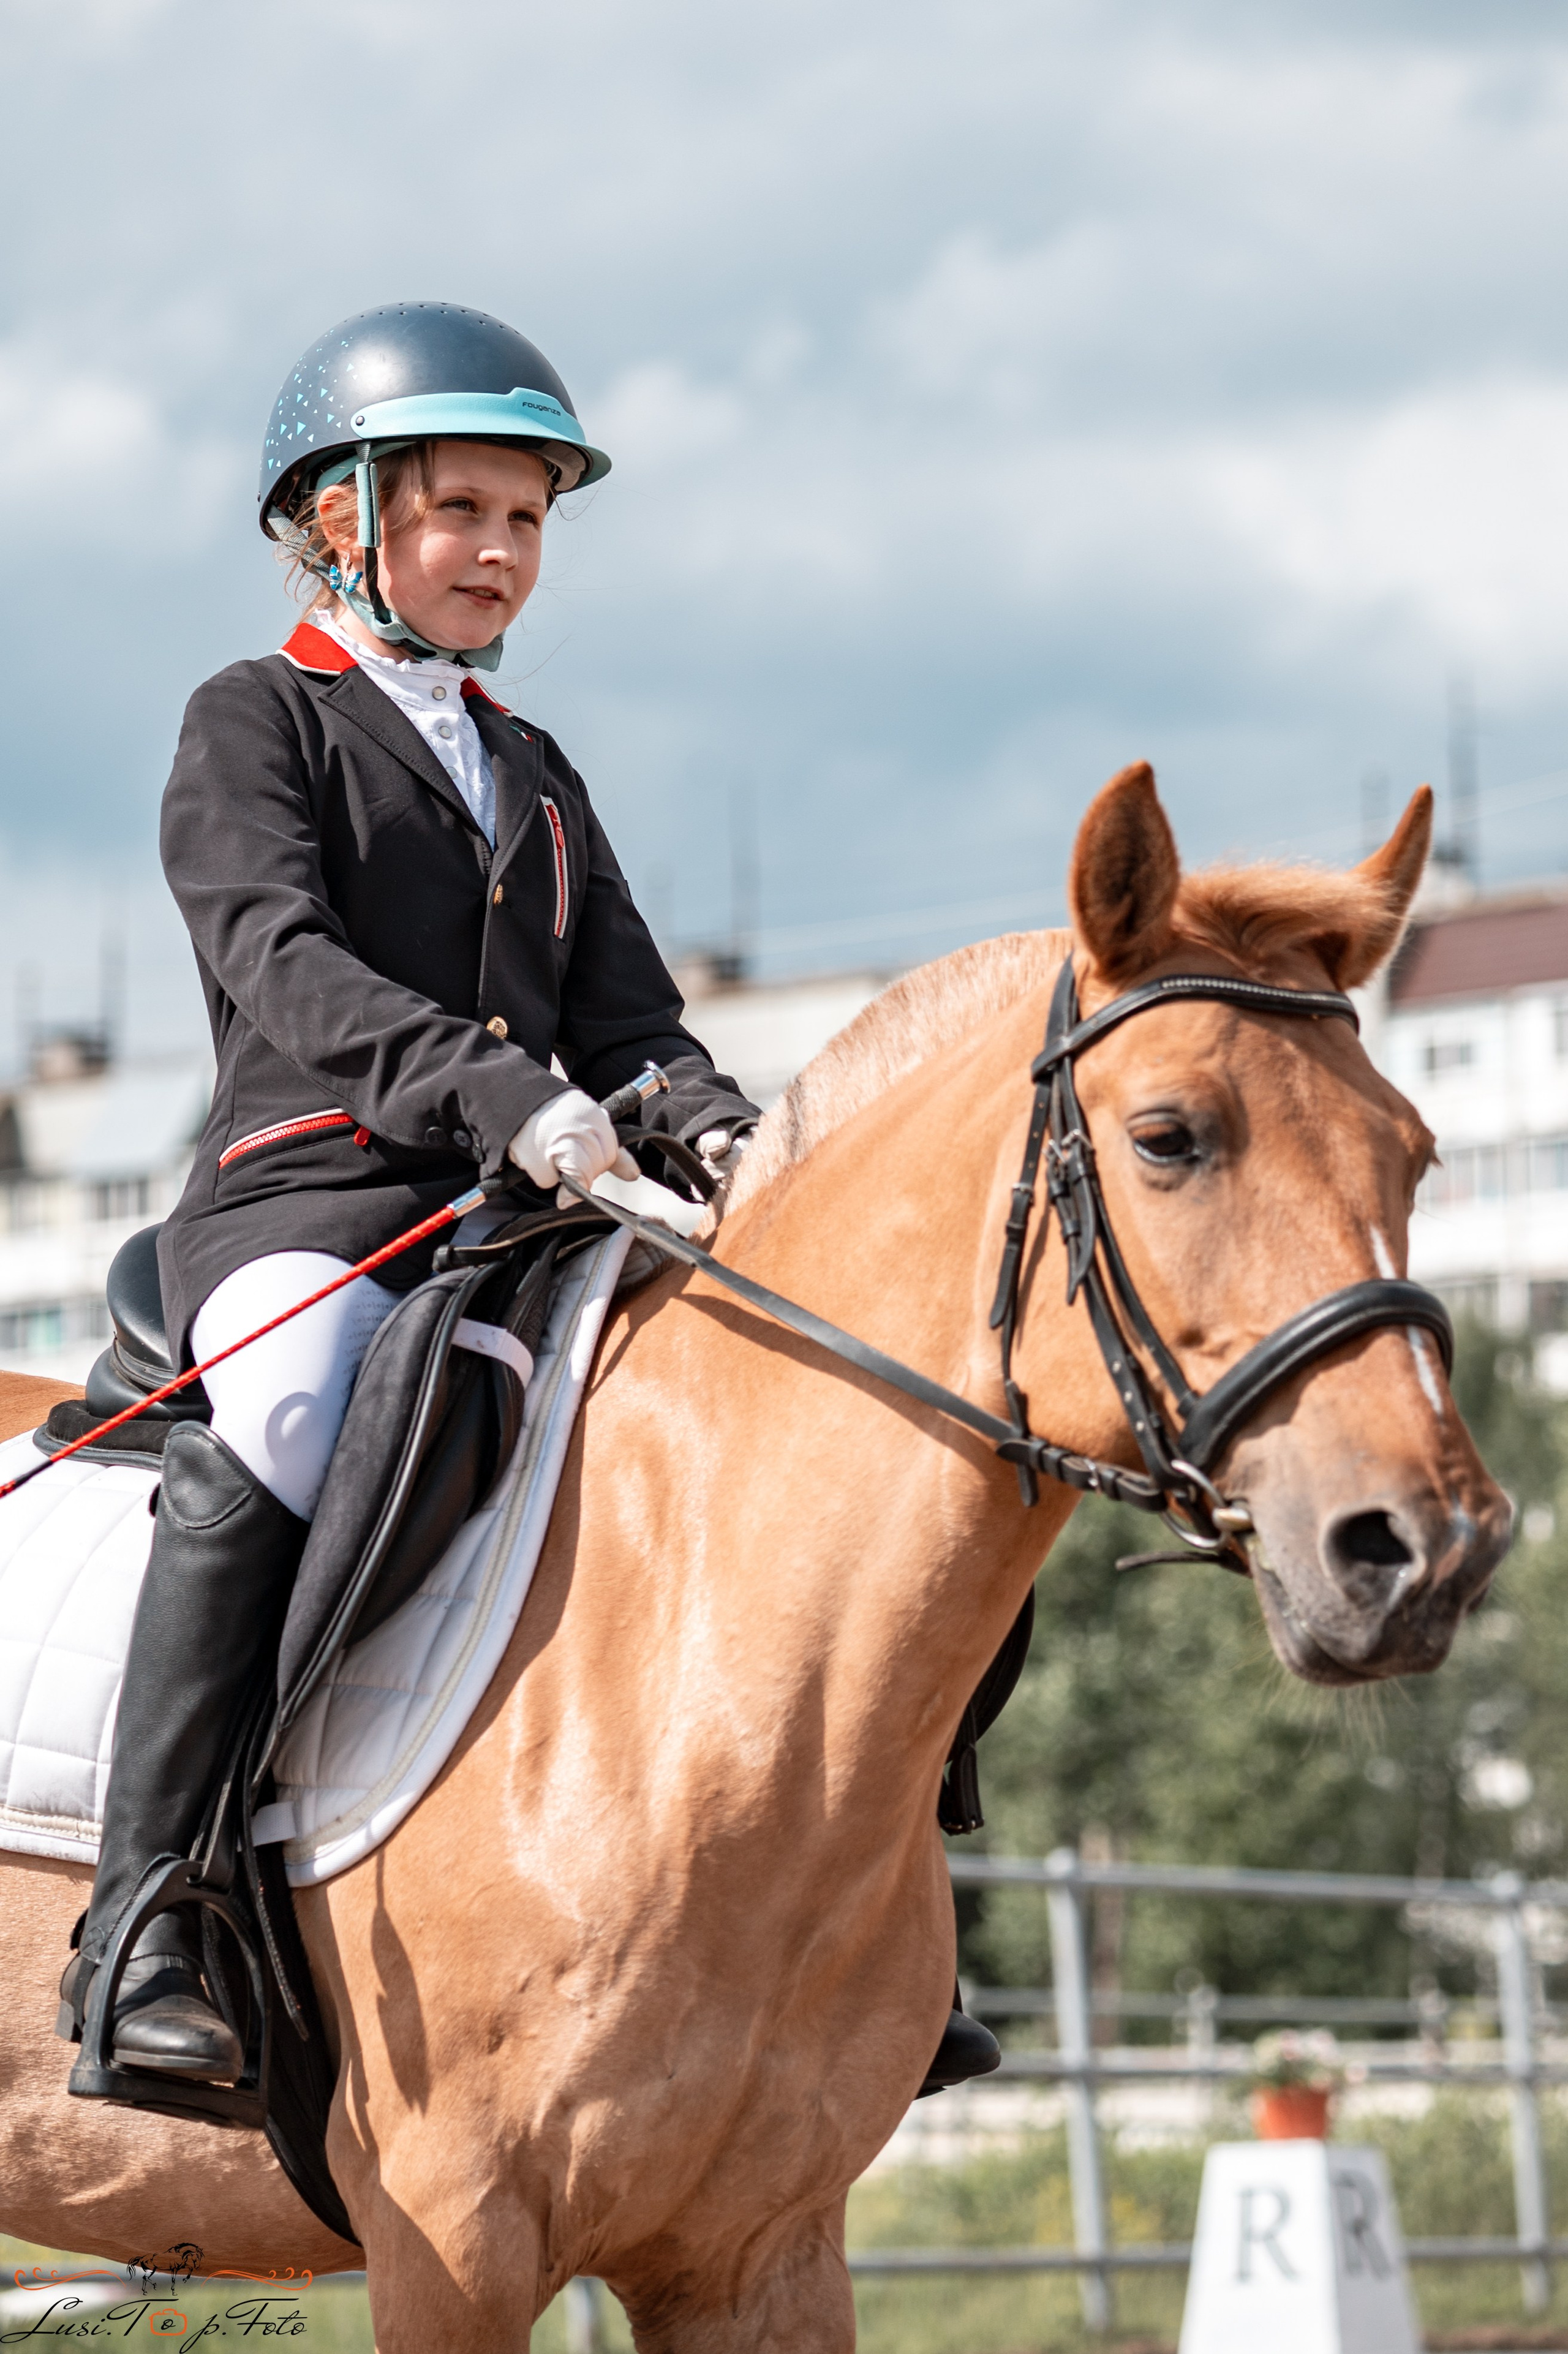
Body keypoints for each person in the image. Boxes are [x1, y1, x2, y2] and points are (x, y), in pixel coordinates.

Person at [58, 301, 997, 2103]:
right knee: (285, 1405)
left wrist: (727, 1133)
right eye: (465, 512)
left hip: (543, 1213)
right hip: (315, 1209)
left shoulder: (537, 767)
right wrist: (514, 1101)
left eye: (529, 521)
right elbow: (282, 964)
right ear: (347, 520)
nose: (502, 551)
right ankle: (145, 1920)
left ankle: (868, 1917)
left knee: (845, 1412)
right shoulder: (256, 721)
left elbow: (635, 1015)